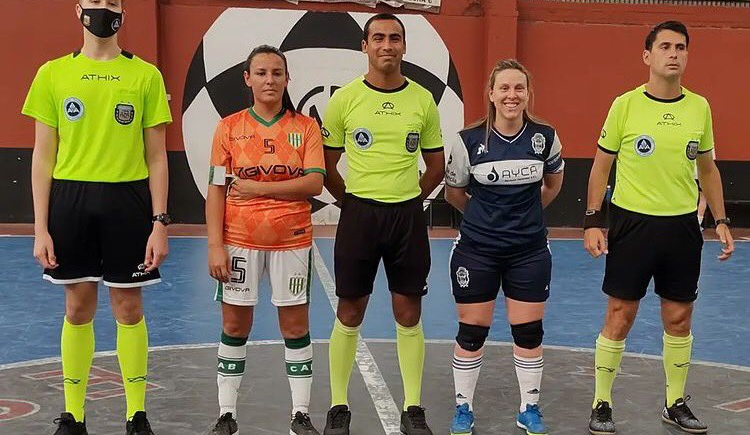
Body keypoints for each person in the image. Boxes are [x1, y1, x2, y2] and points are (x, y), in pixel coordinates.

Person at [22, 1, 172, 434]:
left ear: (124, 11)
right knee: (76, 308)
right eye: (97, 1)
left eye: (114, 2)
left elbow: (158, 156)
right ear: (79, 9)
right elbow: (42, 155)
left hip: (128, 201)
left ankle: (136, 414)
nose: (105, 8)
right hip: (70, 199)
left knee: (128, 307)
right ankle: (74, 415)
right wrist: (40, 228)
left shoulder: (145, 74)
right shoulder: (52, 73)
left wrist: (160, 222)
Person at [583, 21, 734, 435]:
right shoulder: (625, 105)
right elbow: (600, 166)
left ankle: (675, 402)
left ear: (687, 55)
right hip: (633, 224)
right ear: (647, 56)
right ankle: (601, 401)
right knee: (620, 314)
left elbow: (707, 168)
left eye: (681, 47)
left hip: (683, 227)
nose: (674, 53)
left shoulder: (699, 107)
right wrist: (594, 220)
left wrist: (720, 219)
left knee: (679, 317)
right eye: (665, 46)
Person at [320, 13, 445, 435]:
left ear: (404, 46)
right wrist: (349, 200)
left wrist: (413, 199)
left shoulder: (423, 100)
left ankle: (413, 408)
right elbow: (327, 161)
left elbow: (436, 163)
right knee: (350, 309)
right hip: (359, 215)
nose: (386, 45)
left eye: (394, 38)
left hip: (406, 216)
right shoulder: (345, 99)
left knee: (408, 310)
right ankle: (339, 406)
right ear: (365, 46)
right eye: (378, 38)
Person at [205, 45, 325, 435]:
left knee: (294, 325)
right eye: (261, 73)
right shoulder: (228, 127)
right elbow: (217, 191)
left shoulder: (305, 127)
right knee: (235, 324)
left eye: (277, 73)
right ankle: (226, 413)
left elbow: (314, 182)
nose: (269, 80)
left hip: (292, 238)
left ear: (287, 79)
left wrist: (255, 187)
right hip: (239, 240)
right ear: (248, 79)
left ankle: (301, 414)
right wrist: (214, 244)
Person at [444, 59, 564, 435]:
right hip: (477, 250)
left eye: (519, 88)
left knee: (528, 331)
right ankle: (463, 408)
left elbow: (552, 184)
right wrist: (486, 219)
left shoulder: (545, 136)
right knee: (472, 332)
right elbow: (455, 192)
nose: (512, 95)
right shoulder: (468, 141)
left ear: (528, 94)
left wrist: (524, 217)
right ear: (492, 94)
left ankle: (529, 408)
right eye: (505, 88)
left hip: (528, 252)